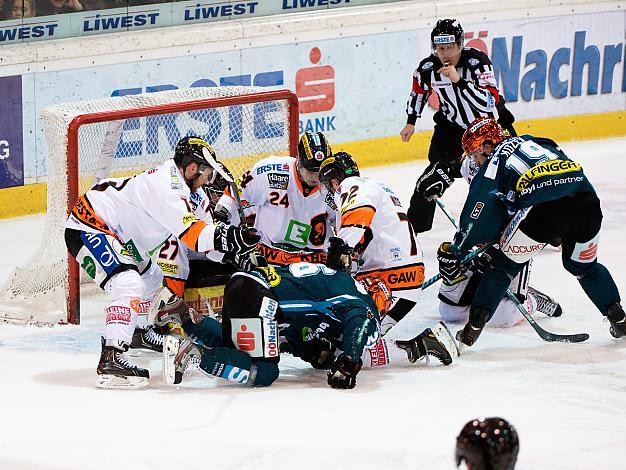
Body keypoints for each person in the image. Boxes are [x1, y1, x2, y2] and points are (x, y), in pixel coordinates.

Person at [64, 136, 260, 389]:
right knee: (127, 282)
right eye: (207, 173)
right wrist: (231, 237)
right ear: (192, 168)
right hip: (89, 224)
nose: (208, 180)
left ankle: (138, 333)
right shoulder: (163, 185)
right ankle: (111, 357)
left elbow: (208, 238)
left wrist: (234, 252)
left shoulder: (194, 192)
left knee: (152, 278)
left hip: (121, 236)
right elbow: (194, 236)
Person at [438, 117, 625, 349]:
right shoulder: (537, 141)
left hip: (543, 210)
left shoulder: (495, 160)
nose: (476, 160)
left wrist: (460, 247)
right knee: (584, 267)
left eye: (476, 153)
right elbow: (562, 167)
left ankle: (471, 329)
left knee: (502, 267)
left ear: (488, 145)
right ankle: (619, 317)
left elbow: (480, 207)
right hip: (586, 202)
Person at [151, 262, 459, 389]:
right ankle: (192, 357)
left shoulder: (337, 288)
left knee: (237, 348)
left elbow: (298, 334)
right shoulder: (361, 303)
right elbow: (358, 329)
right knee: (265, 370)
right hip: (262, 298)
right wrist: (348, 363)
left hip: (244, 284)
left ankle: (183, 317)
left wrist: (315, 353)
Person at [400, 18, 516, 234]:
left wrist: (459, 81)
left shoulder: (477, 62)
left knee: (508, 174)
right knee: (433, 175)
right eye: (440, 48)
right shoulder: (427, 68)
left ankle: (539, 227)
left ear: (460, 44)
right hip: (452, 129)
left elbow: (489, 104)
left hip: (489, 126)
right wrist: (411, 121)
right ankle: (413, 231)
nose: (445, 53)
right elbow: (418, 93)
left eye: (450, 47)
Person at [318, 151, 424, 333]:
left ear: (335, 181)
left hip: (386, 279)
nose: (327, 190)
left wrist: (335, 264)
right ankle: (417, 347)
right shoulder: (378, 186)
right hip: (406, 279)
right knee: (363, 344)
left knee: (340, 341)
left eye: (327, 185)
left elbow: (356, 221)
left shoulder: (351, 185)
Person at [214, 131, 335, 266]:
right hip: (268, 254)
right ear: (299, 162)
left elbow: (341, 219)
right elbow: (235, 192)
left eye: (320, 171)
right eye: (311, 171)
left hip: (313, 259)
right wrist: (222, 213)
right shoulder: (269, 171)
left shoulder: (331, 182)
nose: (316, 177)